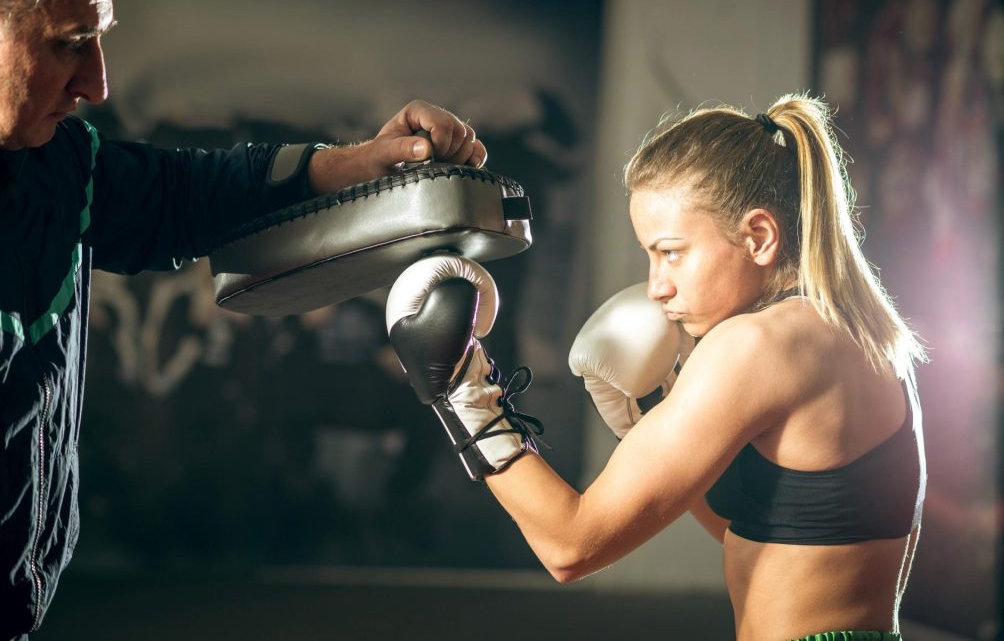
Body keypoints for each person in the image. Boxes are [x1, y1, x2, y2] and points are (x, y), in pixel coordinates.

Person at [0, 0, 486, 638]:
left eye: (101, 38)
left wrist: (365, 163)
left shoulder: (59, 164)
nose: (98, 84)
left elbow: (186, 194)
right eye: (69, 43)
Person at [386, 93, 927, 641]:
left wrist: (461, 391)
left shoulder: (756, 344)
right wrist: (651, 429)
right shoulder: (859, 331)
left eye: (672, 252)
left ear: (758, 237)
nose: (656, 286)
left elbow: (570, 547)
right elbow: (762, 537)